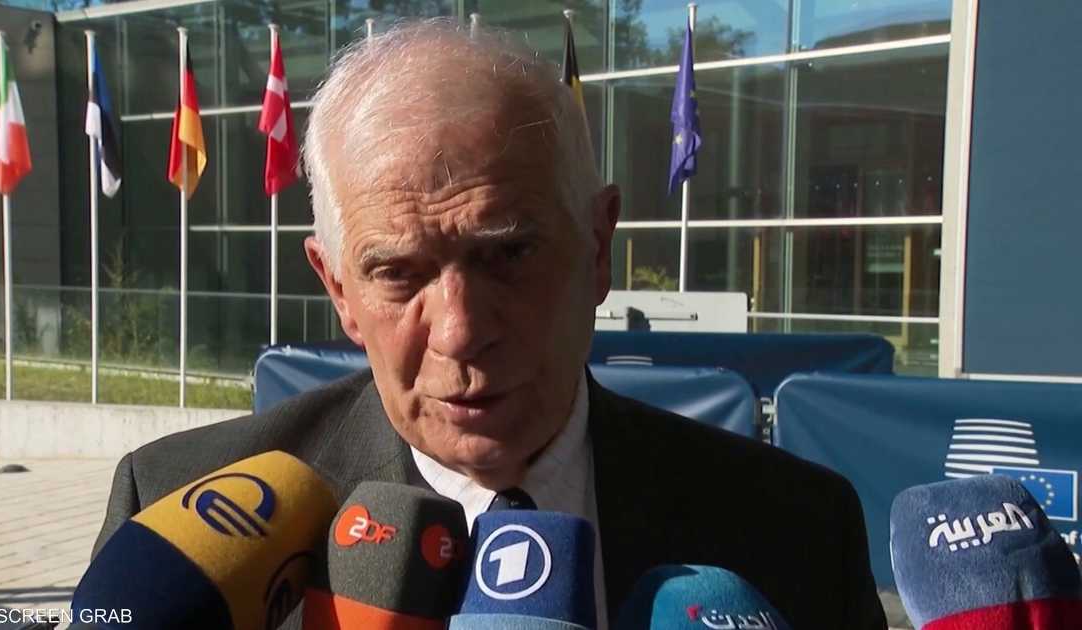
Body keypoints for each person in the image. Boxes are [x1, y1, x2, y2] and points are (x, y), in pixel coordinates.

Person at [89, 19, 886, 630]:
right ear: (338, 290)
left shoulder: (795, 524)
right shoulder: (172, 517)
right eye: (397, 273)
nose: (460, 331)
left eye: (508, 253)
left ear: (598, 248)